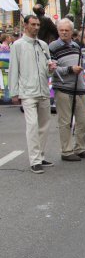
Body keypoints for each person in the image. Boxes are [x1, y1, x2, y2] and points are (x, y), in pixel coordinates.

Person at [8, 15, 56, 173]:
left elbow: (47, 71)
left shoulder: (43, 45)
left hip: (43, 90)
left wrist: (50, 69)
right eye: (33, 24)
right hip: (27, 91)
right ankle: (35, 160)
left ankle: (40, 156)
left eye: (38, 25)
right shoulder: (18, 45)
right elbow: (14, 69)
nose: (36, 27)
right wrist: (14, 92)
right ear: (26, 25)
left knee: (44, 125)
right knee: (32, 125)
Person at [49, 19, 85, 161]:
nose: (64, 32)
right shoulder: (53, 47)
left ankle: (80, 148)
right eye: (61, 30)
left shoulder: (76, 46)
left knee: (83, 120)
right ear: (58, 31)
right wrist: (70, 69)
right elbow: (52, 70)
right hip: (63, 88)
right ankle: (66, 151)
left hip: (78, 87)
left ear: (71, 31)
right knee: (65, 121)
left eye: (67, 30)